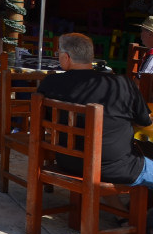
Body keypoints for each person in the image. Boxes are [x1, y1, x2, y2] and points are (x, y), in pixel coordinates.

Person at [37, 33, 153, 192]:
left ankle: (122, 213)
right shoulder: (122, 84)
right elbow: (145, 121)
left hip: (67, 161)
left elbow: (46, 122)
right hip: (116, 168)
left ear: (66, 57)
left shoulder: (49, 83)